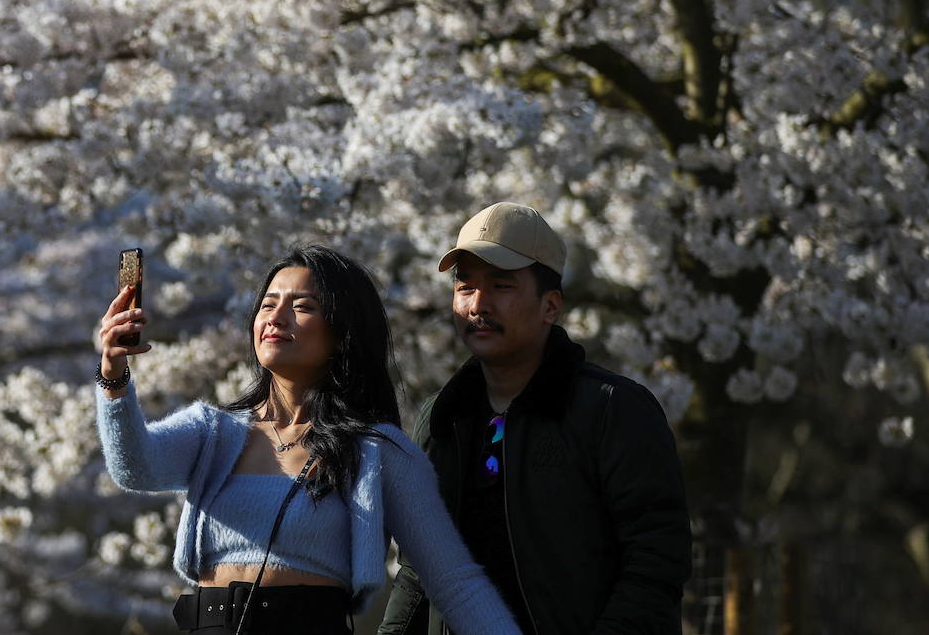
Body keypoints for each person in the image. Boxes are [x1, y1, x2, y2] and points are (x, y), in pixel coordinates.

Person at [94, 244, 522, 635]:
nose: (276, 318)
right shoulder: (212, 431)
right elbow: (134, 466)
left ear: (342, 333)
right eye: (268, 304)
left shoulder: (378, 452)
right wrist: (113, 377)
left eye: (302, 306)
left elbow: (455, 582)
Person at [378, 202, 693, 635]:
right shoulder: (442, 419)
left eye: (501, 286)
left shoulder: (613, 410)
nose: (478, 304)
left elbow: (656, 561)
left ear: (550, 306)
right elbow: (417, 572)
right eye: (465, 287)